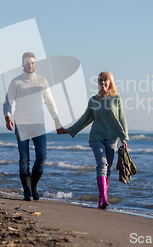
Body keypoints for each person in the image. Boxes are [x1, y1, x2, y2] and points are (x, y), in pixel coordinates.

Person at [59, 71, 128, 209]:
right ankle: (104, 199)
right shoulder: (93, 100)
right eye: (100, 80)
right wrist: (70, 130)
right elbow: (85, 119)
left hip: (112, 138)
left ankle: (101, 198)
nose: (102, 82)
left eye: (105, 80)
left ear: (110, 82)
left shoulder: (117, 99)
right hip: (96, 137)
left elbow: (122, 119)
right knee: (102, 165)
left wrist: (124, 137)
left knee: (107, 169)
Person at [3, 52, 64, 201]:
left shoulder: (42, 81)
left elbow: (50, 102)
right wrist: (8, 117)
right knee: (24, 159)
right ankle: (26, 191)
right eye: (27, 63)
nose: (30, 65)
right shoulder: (16, 82)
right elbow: (7, 103)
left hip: (38, 124)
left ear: (35, 64)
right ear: (22, 64)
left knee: (42, 157)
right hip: (22, 124)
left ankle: (33, 185)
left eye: (33, 62)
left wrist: (56, 120)